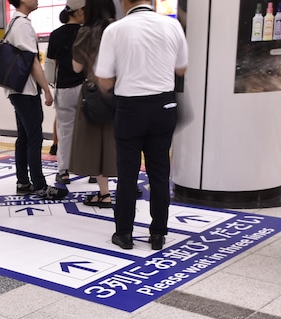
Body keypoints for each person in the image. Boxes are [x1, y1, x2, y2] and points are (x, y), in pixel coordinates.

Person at [96, 0, 187, 251]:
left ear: (125, 2)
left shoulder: (115, 30)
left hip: (130, 108)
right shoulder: (172, 26)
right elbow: (182, 68)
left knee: (127, 173)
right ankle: (158, 233)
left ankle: (124, 233)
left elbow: (104, 80)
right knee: (159, 173)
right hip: (164, 105)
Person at [5, 0, 68, 200]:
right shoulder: (22, 24)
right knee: (34, 137)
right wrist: (46, 90)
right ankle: (40, 185)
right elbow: (32, 61)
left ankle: (23, 182)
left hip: (17, 90)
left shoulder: (14, 22)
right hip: (26, 91)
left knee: (24, 137)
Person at [69, 0, 117, 208]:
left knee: (94, 144)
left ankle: (104, 194)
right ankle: (127, 187)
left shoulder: (86, 31)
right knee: (118, 143)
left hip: (94, 92)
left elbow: (77, 67)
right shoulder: (119, 29)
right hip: (121, 91)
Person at [46, 0, 84, 184]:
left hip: (65, 88)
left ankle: (63, 172)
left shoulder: (56, 35)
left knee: (65, 130)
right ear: (77, 13)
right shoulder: (86, 33)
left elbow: (51, 65)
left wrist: (49, 87)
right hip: (87, 89)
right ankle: (92, 171)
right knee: (89, 130)